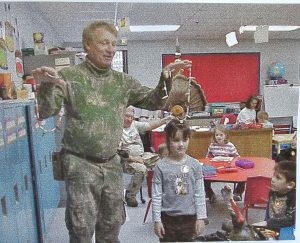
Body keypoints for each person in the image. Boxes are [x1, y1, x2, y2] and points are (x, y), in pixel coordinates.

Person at [32, 21, 191, 243]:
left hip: (111, 163)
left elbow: (154, 101)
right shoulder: (70, 76)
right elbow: (47, 112)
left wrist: (165, 77)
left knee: (112, 224)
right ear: (87, 45)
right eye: (104, 43)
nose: (111, 49)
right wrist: (46, 85)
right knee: (81, 227)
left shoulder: (122, 82)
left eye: (114, 44)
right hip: (79, 163)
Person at [152, 119, 207, 242]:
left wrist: (201, 217)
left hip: (189, 218)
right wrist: (157, 220)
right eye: (176, 140)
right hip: (167, 219)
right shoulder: (160, 166)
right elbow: (156, 196)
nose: (181, 144)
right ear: (168, 140)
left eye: (185, 140)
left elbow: (200, 193)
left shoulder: (195, 165)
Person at [119, 106, 171, 207]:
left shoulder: (134, 125)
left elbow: (149, 125)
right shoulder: (116, 130)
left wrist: (164, 120)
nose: (129, 119)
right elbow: (118, 152)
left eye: (131, 117)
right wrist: (135, 159)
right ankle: (130, 195)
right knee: (142, 169)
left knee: (165, 158)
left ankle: (166, 190)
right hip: (125, 160)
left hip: (141, 157)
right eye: (126, 116)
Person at [253, 160, 296, 234]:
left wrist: (267, 223)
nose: (272, 179)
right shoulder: (273, 191)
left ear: (290, 185)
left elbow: (291, 219)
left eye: (278, 178)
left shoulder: (294, 198)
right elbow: (269, 212)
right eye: (273, 175)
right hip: (271, 228)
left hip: (286, 232)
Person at [205, 125, 242, 203]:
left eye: (221, 135)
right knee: (204, 178)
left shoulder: (230, 146)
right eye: (217, 135)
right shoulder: (212, 145)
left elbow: (237, 158)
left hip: (228, 168)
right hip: (216, 169)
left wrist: (232, 161)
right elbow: (208, 158)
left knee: (242, 177)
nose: (218, 137)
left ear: (226, 136)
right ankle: (210, 194)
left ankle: (238, 193)